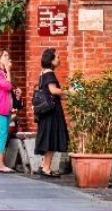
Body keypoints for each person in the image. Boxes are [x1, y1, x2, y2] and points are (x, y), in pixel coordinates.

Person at [34, 48, 69, 177]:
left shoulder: (42, 73)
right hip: (52, 111)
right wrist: (69, 92)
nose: (59, 59)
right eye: (57, 57)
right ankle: (46, 168)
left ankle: (44, 165)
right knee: (51, 138)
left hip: (45, 111)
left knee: (47, 137)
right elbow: (53, 90)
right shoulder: (50, 74)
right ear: (51, 60)